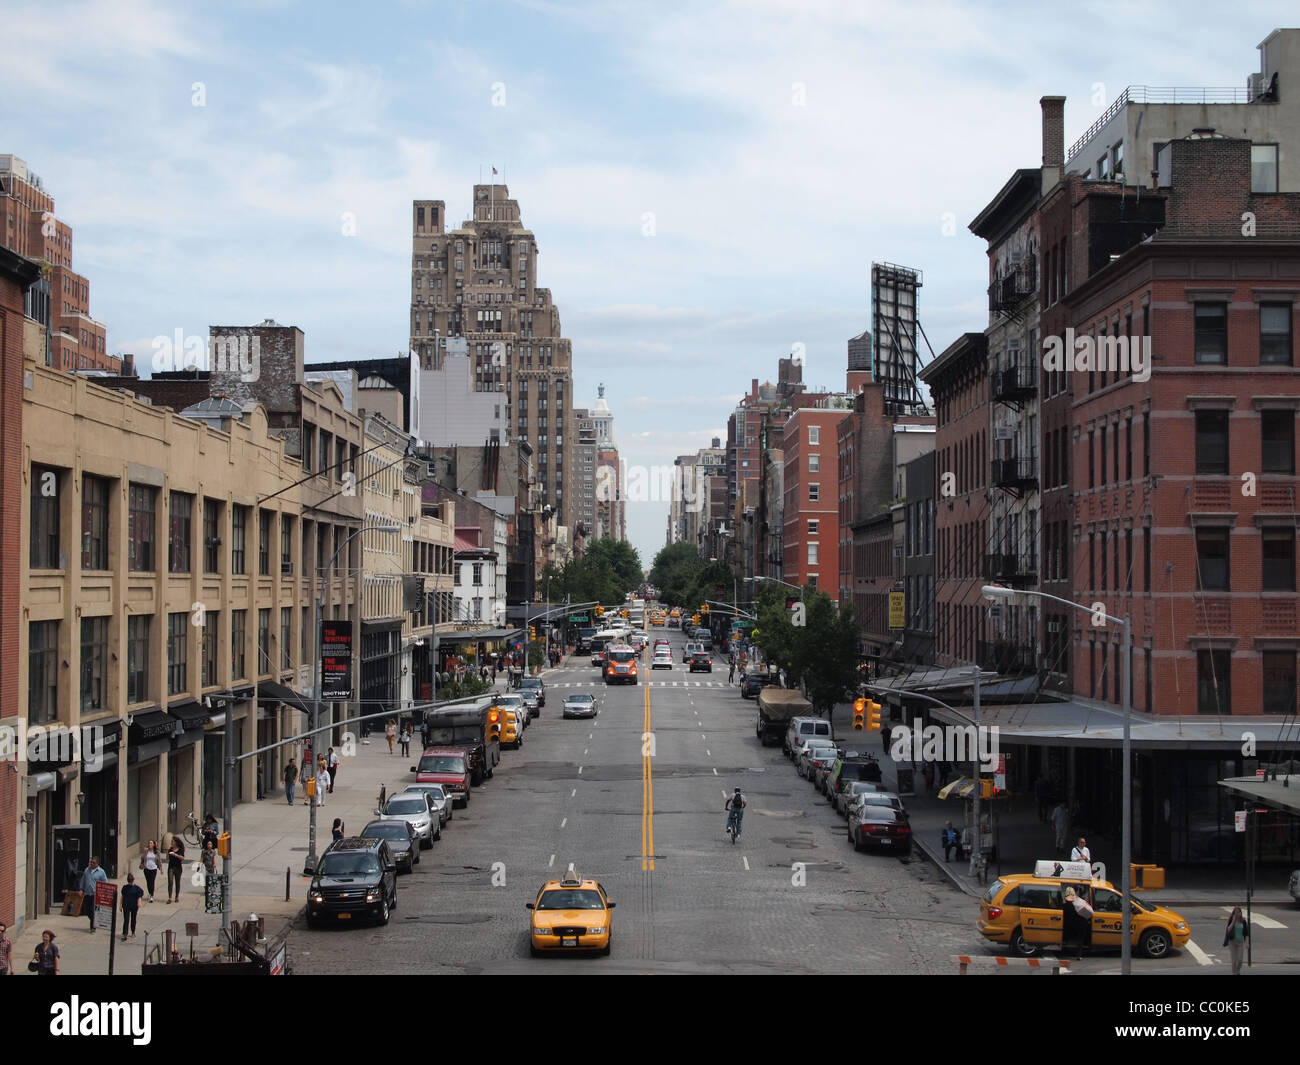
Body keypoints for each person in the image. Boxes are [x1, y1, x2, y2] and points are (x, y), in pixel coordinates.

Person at [1063, 886, 1093, 960]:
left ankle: (1065, 950)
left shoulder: (1064, 901)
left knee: (1068, 937)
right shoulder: (1078, 901)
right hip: (1079, 923)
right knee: (1080, 939)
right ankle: (1078, 955)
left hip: (1069, 923)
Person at [80, 855, 108, 931]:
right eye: (91, 862)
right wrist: (81, 889)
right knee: (87, 911)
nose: (91, 864)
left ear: (97, 864)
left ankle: (93, 927)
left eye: (93, 862)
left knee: (93, 911)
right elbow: (83, 880)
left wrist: (104, 894)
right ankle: (95, 921)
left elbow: (105, 883)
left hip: (95, 895)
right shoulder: (86, 870)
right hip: (87, 894)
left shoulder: (101, 872)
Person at [1223, 906, 1250, 975]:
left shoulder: (1243, 921)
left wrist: (1247, 942)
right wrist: (1233, 921)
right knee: (1234, 960)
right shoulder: (1231, 920)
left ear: (1241, 913)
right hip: (1232, 942)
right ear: (1233, 913)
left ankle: (1237, 970)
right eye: (1236, 912)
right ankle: (1234, 973)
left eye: (1239, 912)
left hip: (1240, 942)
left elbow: (1246, 933)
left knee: (1240, 960)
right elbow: (1228, 930)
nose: (1237, 914)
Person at [120, 873, 144, 940]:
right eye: (129, 881)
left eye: (131, 881)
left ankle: (133, 932)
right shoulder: (125, 888)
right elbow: (122, 896)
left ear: (133, 880)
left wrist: (139, 903)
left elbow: (139, 896)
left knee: (133, 919)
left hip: (134, 905)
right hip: (126, 905)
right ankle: (125, 933)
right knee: (126, 919)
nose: (130, 883)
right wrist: (120, 905)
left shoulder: (137, 889)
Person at [166, 835, 185, 903]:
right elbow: (167, 858)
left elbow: (182, 858)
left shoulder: (180, 849)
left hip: (178, 867)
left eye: (172, 841)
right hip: (171, 867)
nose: (171, 842)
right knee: (170, 881)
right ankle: (170, 897)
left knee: (177, 882)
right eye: (171, 841)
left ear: (176, 842)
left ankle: (176, 896)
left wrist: (175, 855)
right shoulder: (170, 849)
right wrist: (167, 852)